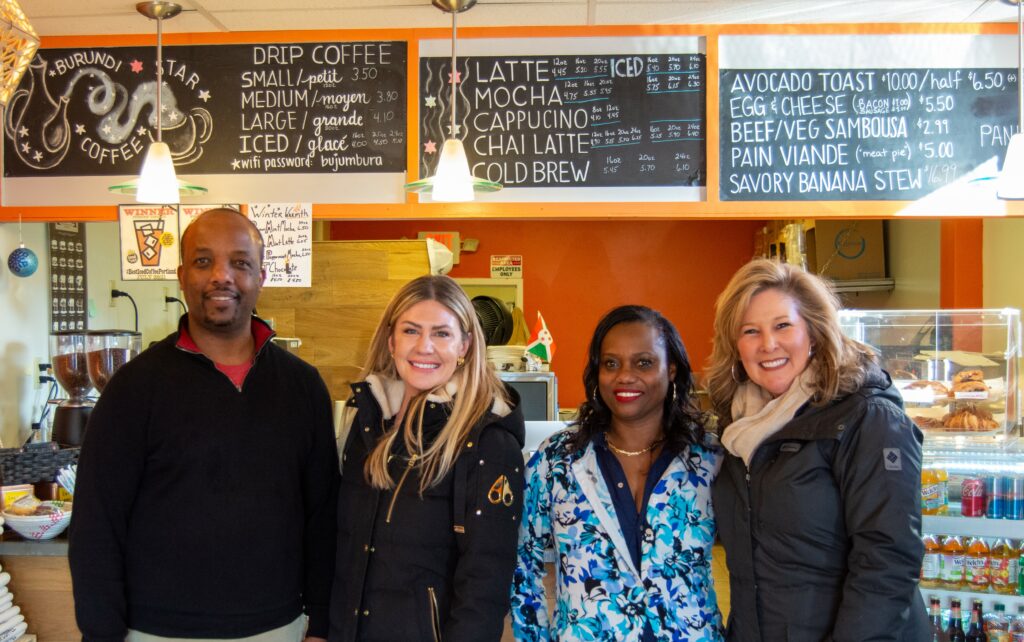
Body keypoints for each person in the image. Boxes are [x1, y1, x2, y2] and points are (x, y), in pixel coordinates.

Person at [69, 208, 339, 641]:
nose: (221, 276)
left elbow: (323, 518)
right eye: (202, 261)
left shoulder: (302, 386)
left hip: (279, 627)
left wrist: (322, 623)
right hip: (155, 630)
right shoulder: (135, 388)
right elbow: (96, 524)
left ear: (261, 277)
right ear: (181, 276)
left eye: (240, 263)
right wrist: (101, 633)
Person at [705, 258, 928, 641]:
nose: (768, 344)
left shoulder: (868, 418)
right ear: (734, 344)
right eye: (750, 331)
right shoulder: (737, 426)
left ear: (813, 329)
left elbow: (887, 562)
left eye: (782, 326)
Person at [329, 275, 525, 641]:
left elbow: (485, 582)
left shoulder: (488, 443)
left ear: (465, 345)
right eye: (411, 330)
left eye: (441, 333)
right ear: (391, 340)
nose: (424, 347)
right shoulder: (366, 419)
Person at [511, 305, 722, 642]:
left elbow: (752, 568)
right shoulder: (557, 461)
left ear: (672, 370)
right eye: (611, 363)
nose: (625, 376)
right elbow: (523, 568)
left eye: (644, 362)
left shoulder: (709, 460)